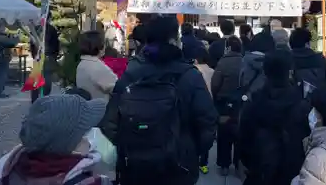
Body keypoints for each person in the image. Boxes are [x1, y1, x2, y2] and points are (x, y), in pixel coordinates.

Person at [100, 15, 217, 185]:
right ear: (173, 39)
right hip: (178, 168)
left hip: (135, 168)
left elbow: (110, 123)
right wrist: (189, 152)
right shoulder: (189, 76)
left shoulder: (131, 73)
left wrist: (129, 148)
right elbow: (207, 122)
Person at [0, 94, 112, 185]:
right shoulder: (90, 181)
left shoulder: (5, 168)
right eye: (85, 132)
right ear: (70, 147)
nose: (89, 138)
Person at [239, 49, 310, 185]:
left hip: (260, 173)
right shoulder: (302, 106)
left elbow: (243, 144)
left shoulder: (253, 105)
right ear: (290, 71)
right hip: (293, 174)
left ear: (265, 72)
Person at [211, 36, 244, 176]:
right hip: (240, 103)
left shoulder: (222, 63)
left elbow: (215, 84)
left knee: (224, 134)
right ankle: (238, 163)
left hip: (224, 103)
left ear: (227, 47)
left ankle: (224, 164)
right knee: (239, 133)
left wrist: (216, 97)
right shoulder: (244, 61)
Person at [290, 28, 326, 93]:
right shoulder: (320, 59)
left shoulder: (286, 60)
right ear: (307, 43)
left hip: (293, 101)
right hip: (319, 99)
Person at [76, 30, 118, 101]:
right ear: (99, 46)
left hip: (86, 106)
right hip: (100, 108)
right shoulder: (97, 66)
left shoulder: (82, 63)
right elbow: (117, 86)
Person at [30, 12, 60, 102]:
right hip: (48, 57)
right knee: (46, 78)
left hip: (38, 57)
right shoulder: (52, 29)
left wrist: (34, 55)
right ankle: (45, 98)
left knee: (36, 79)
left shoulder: (36, 29)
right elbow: (56, 45)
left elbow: (32, 44)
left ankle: (35, 100)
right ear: (49, 18)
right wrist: (54, 56)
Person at [194, 46, 214, 174]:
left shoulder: (193, 71)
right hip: (209, 105)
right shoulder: (212, 71)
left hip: (195, 105)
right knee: (206, 134)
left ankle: (195, 159)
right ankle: (204, 163)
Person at [0, 24, 20, 98]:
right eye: (2, 27)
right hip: (1, 59)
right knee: (1, 75)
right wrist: (17, 38)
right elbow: (11, 43)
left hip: (0, 58)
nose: (4, 28)